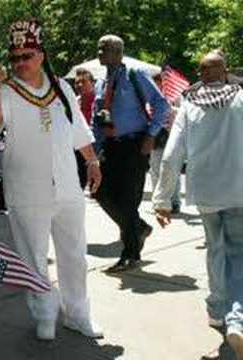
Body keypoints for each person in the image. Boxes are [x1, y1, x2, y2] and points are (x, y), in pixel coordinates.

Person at [0, 19, 103, 341]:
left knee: (75, 253)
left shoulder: (62, 88)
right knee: (33, 257)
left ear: (41, 54)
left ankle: (78, 313)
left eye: (27, 55)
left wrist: (92, 160)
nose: (21, 62)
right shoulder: (6, 90)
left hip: (66, 185)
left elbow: (78, 130)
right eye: (15, 57)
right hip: (26, 188)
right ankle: (44, 313)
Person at [153, 52, 243, 359]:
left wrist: (163, 200)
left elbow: (171, 154)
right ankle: (237, 320)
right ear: (225, 71)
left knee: (216, 249)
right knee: (237, 256)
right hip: (238, 189)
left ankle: (217, 310)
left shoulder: (189, 104)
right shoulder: (240, 98)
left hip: (204, 192)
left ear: (201, 74)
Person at [91, 35, 170, 273]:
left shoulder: (135, 75)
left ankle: (130, 253)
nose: (100, 52)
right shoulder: (100, 83)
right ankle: (139, 227)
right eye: (99, 48)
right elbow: (97, 120)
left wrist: (151, 135)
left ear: (118, 52)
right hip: (110, 146)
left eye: (104, 49)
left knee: (128, 198)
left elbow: (161, 104)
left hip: (135, 144)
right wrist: (94, 151)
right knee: (101, 193)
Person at [148, 74, 181, 214]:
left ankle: (174, 201)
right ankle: (158, 201)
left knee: (173, 169)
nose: (156, 86)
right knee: (155, 170)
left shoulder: (174, 97)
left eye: (158, 83)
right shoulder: (149, 100)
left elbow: (181, 114)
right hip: (155, 137)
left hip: (171, 135)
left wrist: (171, 110)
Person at [74, 68, 96, 190]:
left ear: (92, 83)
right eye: (77, 82)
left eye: (84, 81)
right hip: (78, 145)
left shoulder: (98, 101)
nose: (80, 85)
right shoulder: (74, 102)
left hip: (95, 144)